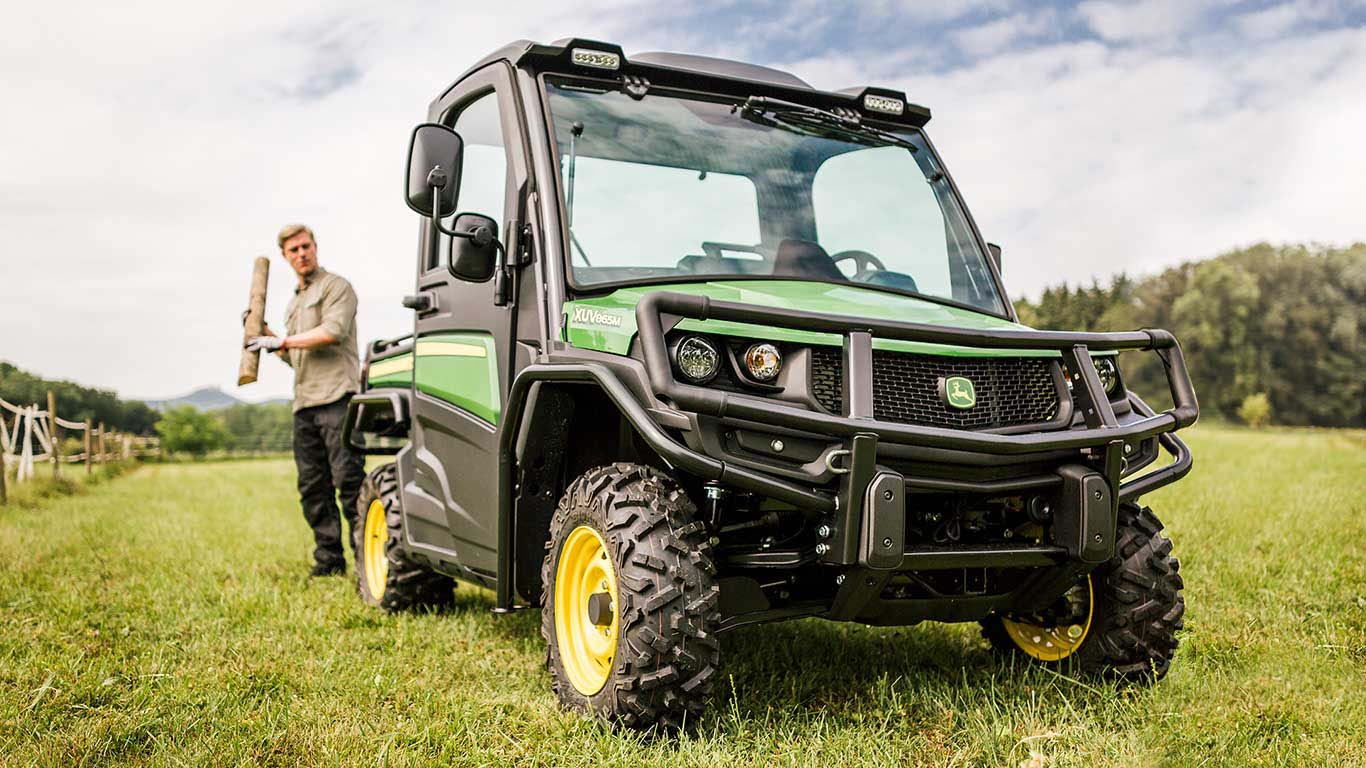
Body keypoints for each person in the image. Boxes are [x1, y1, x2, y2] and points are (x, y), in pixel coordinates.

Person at [245, 224, 365, 577]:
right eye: (293, 250)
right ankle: (329, 561)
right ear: (285, 257)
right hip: (305, 404)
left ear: (315, 246)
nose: (301, 254)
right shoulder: (294, 303)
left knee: (349, 482)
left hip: (337, 399)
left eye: (305, 246)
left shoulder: (336, 287)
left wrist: (281, 341)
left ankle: (366, 559)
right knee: (313, 487)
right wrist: (265, 335)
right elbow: (295, 355)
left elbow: (332, 333)